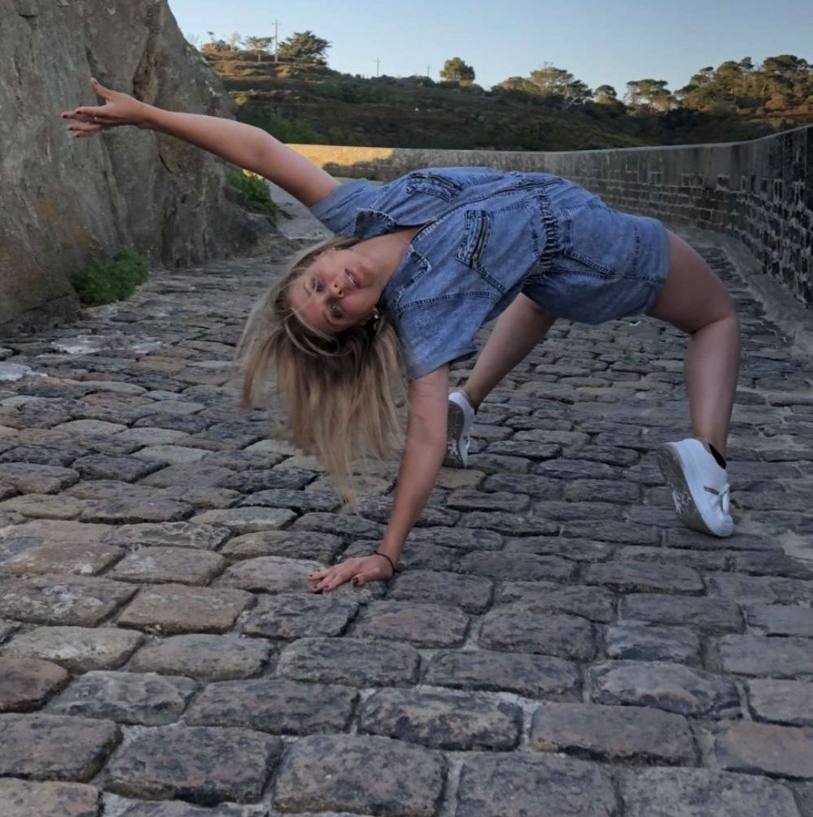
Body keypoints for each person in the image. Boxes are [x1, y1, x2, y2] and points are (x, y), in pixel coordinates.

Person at [63, 79, 740, 592]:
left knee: (535, 295)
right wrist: (387, 553)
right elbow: (421, 438)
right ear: (361, 324)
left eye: (317, 284)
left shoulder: (362, 210)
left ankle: (470, 401)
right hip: (603, 254)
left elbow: (260, 150)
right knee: (716, 318)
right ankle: (708, 458)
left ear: (319, 256)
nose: (334, 292)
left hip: (553, 261)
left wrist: (149, 117)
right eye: (334, 311)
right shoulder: (424, 311)